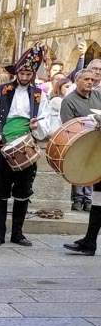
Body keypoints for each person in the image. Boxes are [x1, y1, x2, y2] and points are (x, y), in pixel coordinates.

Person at [0, 46, 57, 247]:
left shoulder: (40, 95)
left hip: (27, 145)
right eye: (21, 73)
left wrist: (36, 125)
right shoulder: (2, 90)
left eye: (28, 73)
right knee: (0, 191)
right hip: (4, 144)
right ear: (16, 73)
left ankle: (17, 233)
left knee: (23, 192)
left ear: (32, 74)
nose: (24, 76)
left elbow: (45, 121)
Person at [61, 69, 101, 255]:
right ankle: (89, 241)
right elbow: (69, 129)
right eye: (86, 79)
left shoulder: (98, 96)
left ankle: (89, 241)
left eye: (93, 79)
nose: (90, 82)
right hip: (92, 154)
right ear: (77, 80)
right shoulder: (69, 101)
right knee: (98, 202)